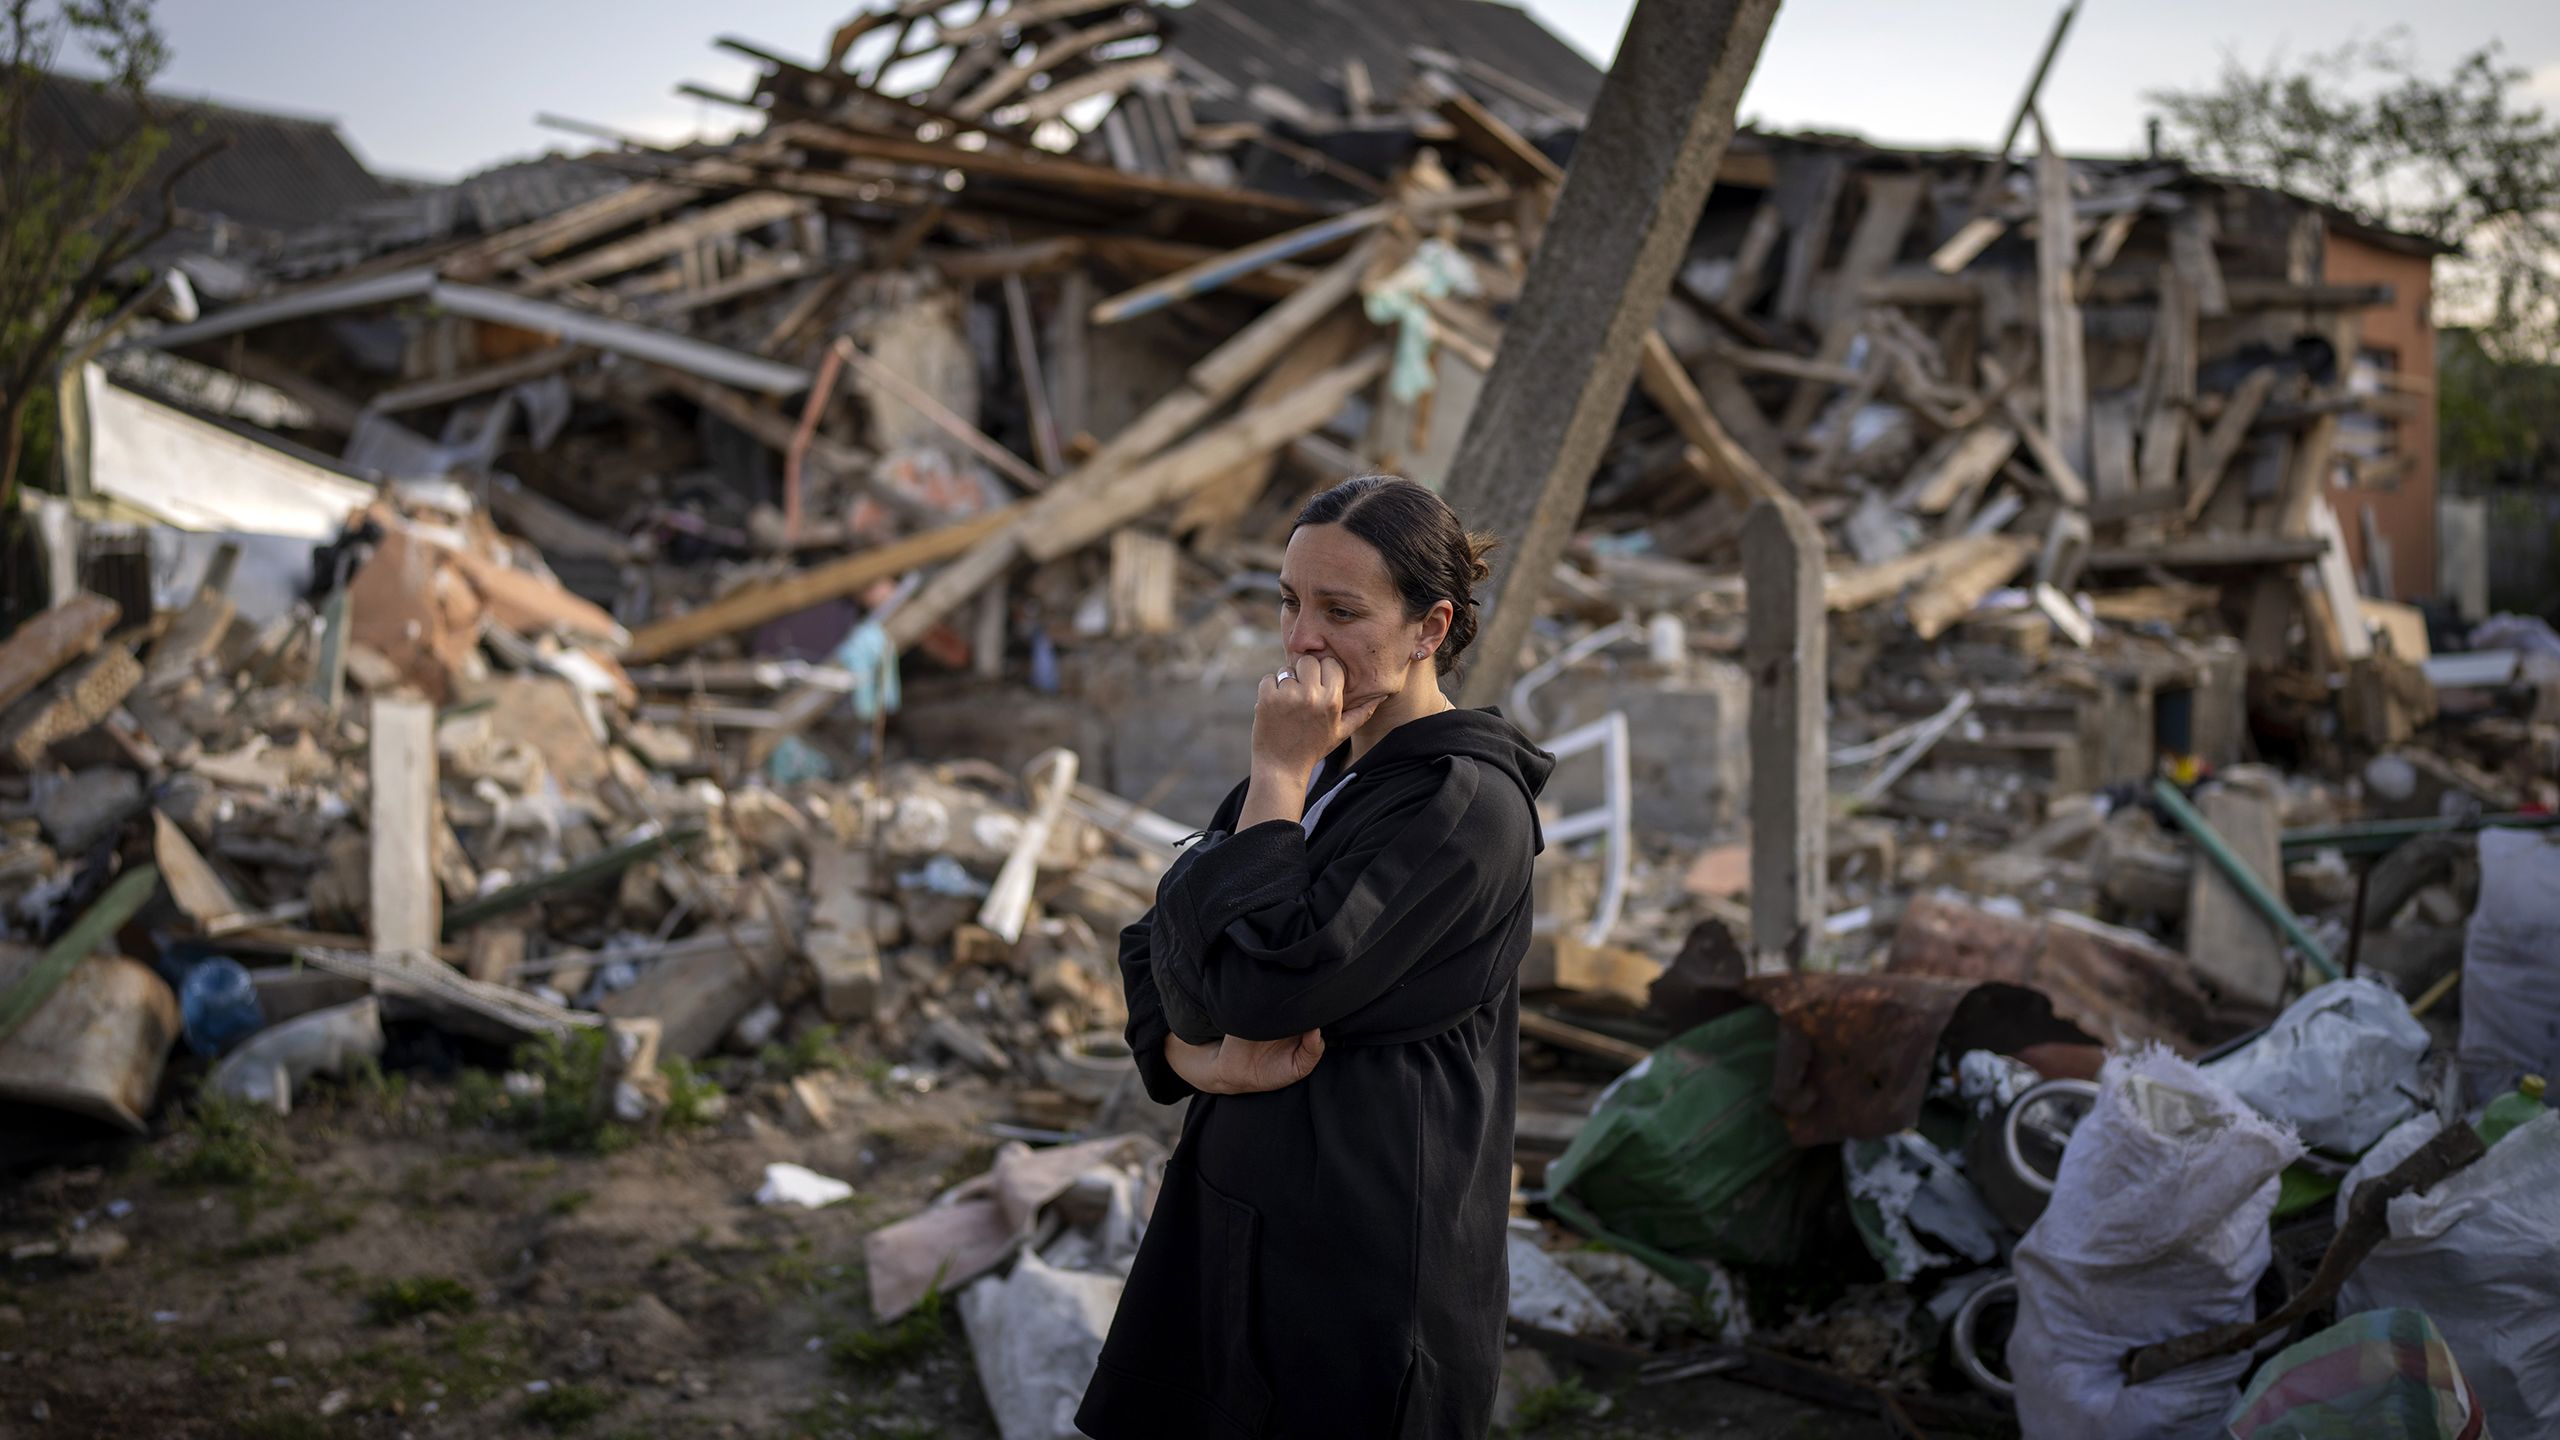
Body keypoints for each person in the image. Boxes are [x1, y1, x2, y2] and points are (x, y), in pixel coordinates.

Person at [1076, 476, 1555, 1440]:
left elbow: (1256, 980)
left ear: (1431, 627)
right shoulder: (1327, 767)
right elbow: (1150, 943)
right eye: (1290, 603)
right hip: (1240, 1230)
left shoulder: (1461, 806)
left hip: (1363, 1270)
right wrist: (1191, 1058)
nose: (1302, 641)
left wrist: (1276, 780)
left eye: (1341, 611)